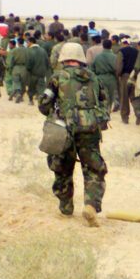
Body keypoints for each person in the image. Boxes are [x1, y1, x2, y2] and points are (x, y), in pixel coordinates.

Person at [38, 42, 109, 227]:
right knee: (94, 168)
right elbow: (104, 101)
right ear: (81, 59)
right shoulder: (94, 78)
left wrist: (53, 115)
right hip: (90, 129)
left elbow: (44, 104)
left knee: (62, 168)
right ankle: (91, 205)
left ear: (63, 59)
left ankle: (65, 208)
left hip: (65, 129)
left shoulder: (57, 78)